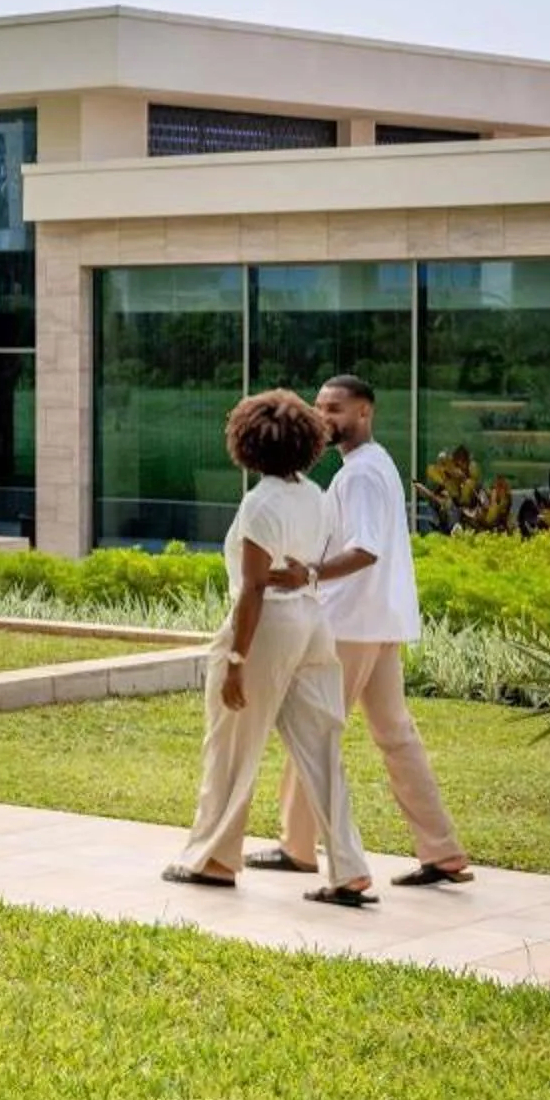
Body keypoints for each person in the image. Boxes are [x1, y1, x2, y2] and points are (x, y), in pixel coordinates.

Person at [248, 374, 473, 888]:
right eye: (320, 407)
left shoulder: (360, 476)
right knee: (396, 735)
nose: (324, 417)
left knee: (312, 730)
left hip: (349, 625)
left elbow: (365, 549)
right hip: (378, 622)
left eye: (336, 409)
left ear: (365, 412)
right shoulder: (374, 465)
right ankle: (443, 851)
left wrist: (308, 574)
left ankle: (297, 847)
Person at [164, 388, 376, 906]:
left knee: (232, 745)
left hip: (268, 629)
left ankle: (214, 860)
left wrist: (236, 660)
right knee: (322, 750)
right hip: (311, 623)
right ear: (306, 441)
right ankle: (349, 869)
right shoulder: (314, 495)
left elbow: (254, 588)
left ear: (248, 443)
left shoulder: (260, 503)